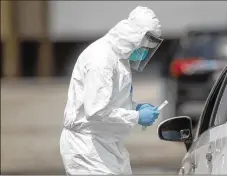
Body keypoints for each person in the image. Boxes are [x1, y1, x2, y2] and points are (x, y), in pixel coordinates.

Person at [60, 6, 163, 175]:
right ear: (135, 38)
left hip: (108, 144)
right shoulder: (101, 59)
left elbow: (110, 101)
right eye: (145, 47)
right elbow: (96, 111)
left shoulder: (119, 58)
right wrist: (136, 116)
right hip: (87, 147)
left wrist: (134, 107)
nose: (145, 53)